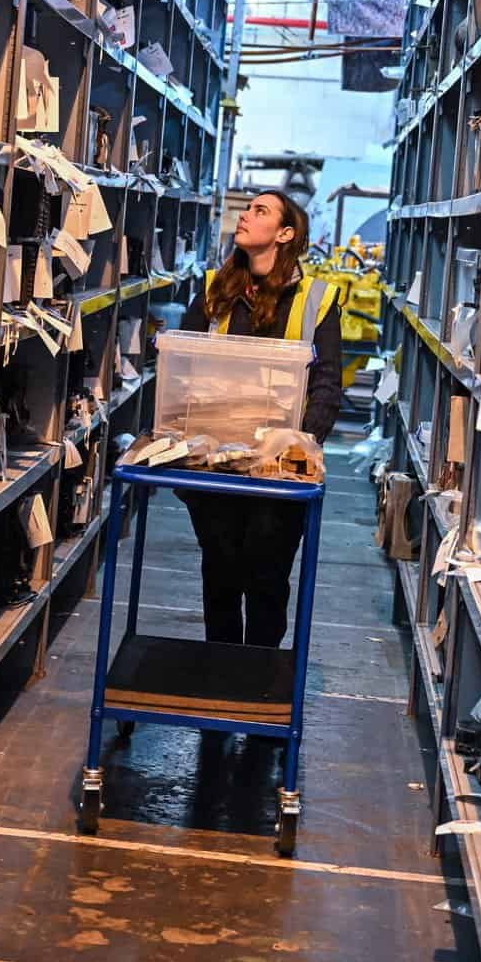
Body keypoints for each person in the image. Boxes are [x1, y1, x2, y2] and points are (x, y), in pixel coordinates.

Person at [177, 190, 342, 648]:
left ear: (285, 234)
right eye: (247, 208)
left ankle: (259, 684)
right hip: (217, 465)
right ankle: (222, 684)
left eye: (260, 211)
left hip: (278, 473)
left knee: (267, 583)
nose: (246, 215)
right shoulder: (215, 288)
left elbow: (328, 385)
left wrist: (297, 449)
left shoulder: (317, 300)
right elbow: (183, 370)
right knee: (221, 577)